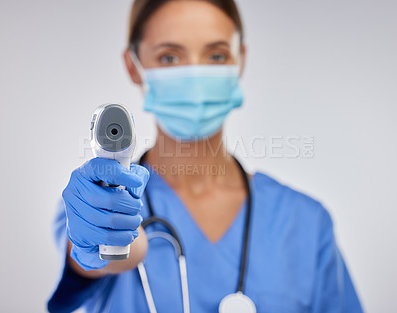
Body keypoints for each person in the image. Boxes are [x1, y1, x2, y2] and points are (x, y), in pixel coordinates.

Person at [47, 0, 364, 312]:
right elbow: (97, 256)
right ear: (133, 66)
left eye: (216, 55)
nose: (195, 76)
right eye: (169, 57)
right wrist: (112, 243)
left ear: (240, 61)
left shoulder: (304, 223)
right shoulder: (98, 200)